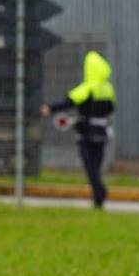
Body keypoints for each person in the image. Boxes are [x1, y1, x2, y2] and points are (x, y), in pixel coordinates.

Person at [41, 50, 116, 209]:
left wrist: (50, 108)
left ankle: (99, 192)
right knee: (96, 164)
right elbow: (112, 108)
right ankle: (98, 196)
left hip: (86, 133)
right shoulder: (108, 88)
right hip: (102, 132)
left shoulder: (87, 88)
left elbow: (69, 102)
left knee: (90, 166)